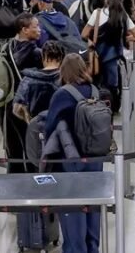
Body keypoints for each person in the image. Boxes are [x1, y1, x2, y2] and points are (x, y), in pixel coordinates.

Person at [45, 54, 102, 253]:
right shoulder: (95, 91)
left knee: (72, 209)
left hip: (71, 161)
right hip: (96, 159)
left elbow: (50, 127)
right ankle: (92, 247)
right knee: (93, 206)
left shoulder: (63, 94)